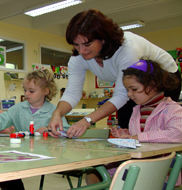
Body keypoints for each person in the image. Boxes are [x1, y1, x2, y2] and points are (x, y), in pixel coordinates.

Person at [48, 9, 181, 138]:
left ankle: (163, 159)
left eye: (87, 44)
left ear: (103, 39)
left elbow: (121, 96)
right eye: (76, 44)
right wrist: (57, 114)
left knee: (158, 127)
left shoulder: (127, 49)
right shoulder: (78, 57)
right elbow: (72, 92)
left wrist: (87, 120)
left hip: (163, 78)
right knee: (127, 127)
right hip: (132, 88)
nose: (81, 50)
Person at [87, 59, 182, 190]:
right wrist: (125, 136)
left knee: (121, 184)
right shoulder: (137, 110)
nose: (130, 95)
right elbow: (136, 139)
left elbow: (177, 134)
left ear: (153, 84)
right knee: (93, 176)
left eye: (134, 89)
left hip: (159, 170)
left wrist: (138, 137)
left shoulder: (173, 109)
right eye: (128, 90)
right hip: (136, 165)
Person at [0, 69, 70, 190]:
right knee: (7, 159)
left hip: (45, 157)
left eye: (31, 91)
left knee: (10, 161)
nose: (26, 94)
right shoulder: (18, 108)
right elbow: (3, 118)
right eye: (25, 90)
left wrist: (51, 132)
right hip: (21, 155)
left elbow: (65, 131)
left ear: (45, 91)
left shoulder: (54, 112)